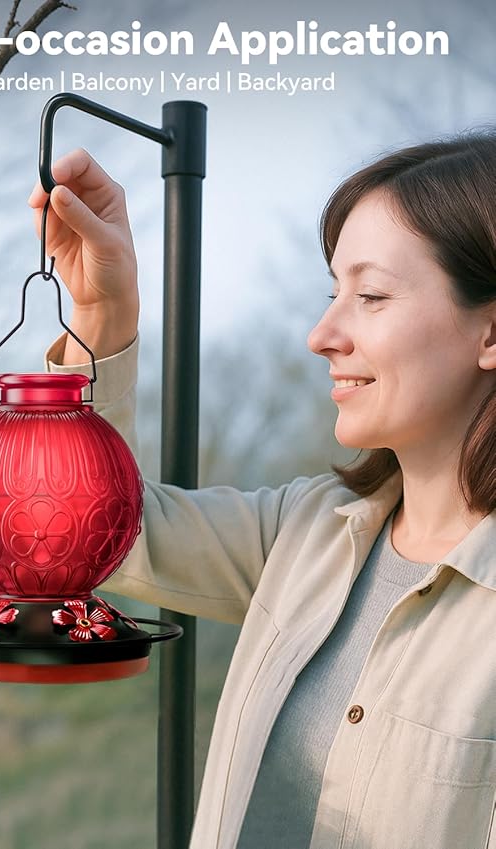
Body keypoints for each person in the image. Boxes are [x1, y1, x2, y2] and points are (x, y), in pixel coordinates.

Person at [28, 134, 496, 849]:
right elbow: (91, 529)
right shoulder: (305, 531)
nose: (321, 334)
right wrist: (101, 312)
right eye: (332, 293)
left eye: (371, 296)